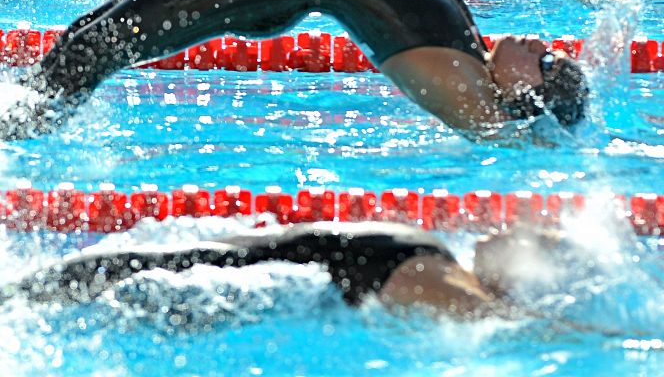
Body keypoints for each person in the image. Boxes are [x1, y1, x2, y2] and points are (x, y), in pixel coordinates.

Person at [3, 0, 591, 139]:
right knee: (88, 37)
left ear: (527, 97)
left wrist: (546, 136)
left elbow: (513, 139)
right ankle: (21, 111)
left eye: (546, 64)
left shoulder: (475, 101)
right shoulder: (470, 54)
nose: (542, 46)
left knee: (95, 49)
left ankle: (16, 128)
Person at [0, 221, 570, 320]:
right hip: (211, 272)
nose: (519, 229)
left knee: (72, 284)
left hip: (205, 286)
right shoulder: (439, 258)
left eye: (537, 240)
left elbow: (506, 320)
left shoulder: (440, 277)